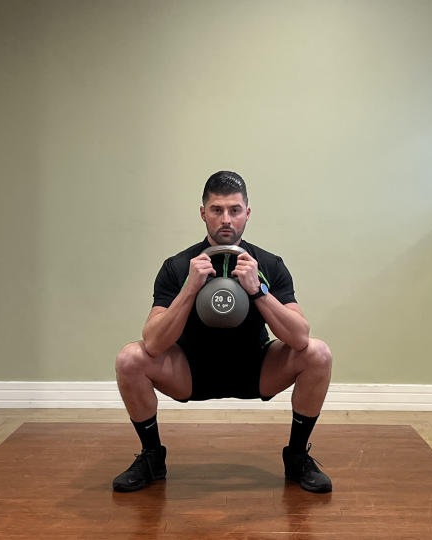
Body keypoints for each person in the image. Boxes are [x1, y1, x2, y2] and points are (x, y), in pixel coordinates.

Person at [112, 170, 333, 494]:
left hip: (255, 369)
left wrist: (258, 290)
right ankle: (151, 457)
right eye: (217, 210)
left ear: (247, 212)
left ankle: (297, 457)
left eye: (234, 210)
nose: (226, 218)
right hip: (190, 371)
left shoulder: (268, 264)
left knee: (318, 353)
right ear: (203, 213)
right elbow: (153, 343)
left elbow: (299, 338)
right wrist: (190, 289)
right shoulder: (178, 266)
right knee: (129, 358)